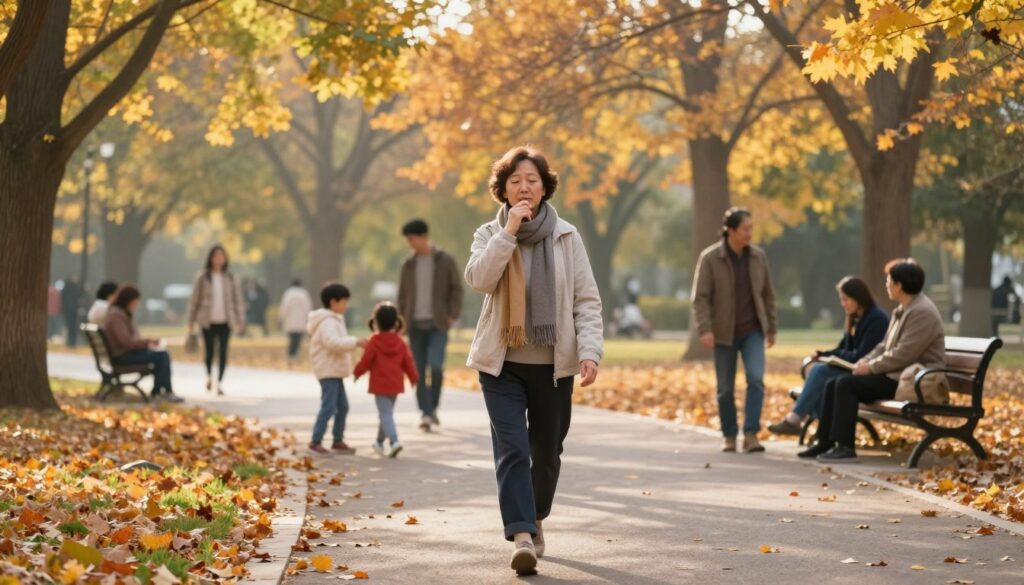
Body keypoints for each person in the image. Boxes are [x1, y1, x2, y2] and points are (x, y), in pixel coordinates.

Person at [465, 146, 603, 576]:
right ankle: (522, 535)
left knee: (546, 454)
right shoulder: (489, 234)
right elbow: (479, 279)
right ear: (502, 190)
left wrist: (590, 351)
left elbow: (586, 300)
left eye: (531, 180)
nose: (524, 188)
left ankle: (536, 514)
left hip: (554, 367)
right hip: (501, 364)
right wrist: (508, 232)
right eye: (515, 182)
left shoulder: (567, 237)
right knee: (512, 450)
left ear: (545, 187)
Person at [800, 259, 946, 463]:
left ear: (899, 286)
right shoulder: (904, 309)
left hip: (913, 380)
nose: (886, 285)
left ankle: (845, 447)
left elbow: (904, 353)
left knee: (845, 384)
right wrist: (864, 361)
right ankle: (825, 442)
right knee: (833, 382)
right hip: (897, 374)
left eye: (889, 281)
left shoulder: (921, 312)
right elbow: (884, 345)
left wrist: (871, 368)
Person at [692, 207, 778, 453]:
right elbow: (700, 298)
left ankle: (751, 434)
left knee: (756, 379)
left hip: (753, 331)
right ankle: (729, 435)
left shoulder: (758, 257)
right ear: (730, 231)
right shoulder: (710, 258)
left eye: (751, 228)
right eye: (745, 228)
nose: (750, 233)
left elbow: (768, 295)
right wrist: (705, 329)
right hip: (723, 333)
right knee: (725, 388)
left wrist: (771, 327)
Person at [768, 276, 889, 435]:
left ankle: (796, 421)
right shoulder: (856, 318)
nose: (843, 304)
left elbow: (861, 355)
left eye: (846, 299)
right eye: (841, 300)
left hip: (867, 372)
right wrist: (823, 354)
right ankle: (823, 431)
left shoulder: (876, 318)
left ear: (858, 298)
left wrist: (834, 357)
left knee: (820, 372)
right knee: (821, 374)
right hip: (854, 369)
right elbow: (843, 347)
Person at [398, 218, 464, 432]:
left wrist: (452, 315)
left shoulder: (445, 260)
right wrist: (400, 320)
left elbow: (457, 289)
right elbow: (402, 295)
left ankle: (432, 407)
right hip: (414, 325)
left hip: (438, 324)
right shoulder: (408, 264)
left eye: (412, 239)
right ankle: (425, 413)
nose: (410, 244)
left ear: (424, 236)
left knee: (435, 366)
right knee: (417, 370)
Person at [354, 302, 418, 459]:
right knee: (386, 414)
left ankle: (394, 442)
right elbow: (408, 362)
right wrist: (413, 377)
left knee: (385, 414)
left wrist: (357, 372)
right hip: (395, 384)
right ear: (396, 321)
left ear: (376, 322)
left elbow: (366, 361)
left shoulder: (374, 341)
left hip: (380, 385)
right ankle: (378, 442)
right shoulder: (400, 341)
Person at [103, 284, 182, 402]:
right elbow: (126, 342)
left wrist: (146, 342)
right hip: (122, 357)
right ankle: (165, 392)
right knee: (161, 355)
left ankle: (158, 391)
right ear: (128, 300)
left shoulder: (120, 313)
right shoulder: (116, 316)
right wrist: (147, 342)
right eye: (135, 302)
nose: (136, 305)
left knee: (160, 355)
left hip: (123, 354)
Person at [307, 283, 361, 455]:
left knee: (343, 407)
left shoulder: (335, 319)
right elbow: (333, 343)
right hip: (328, 371)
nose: (346, 305)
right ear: (333, 302)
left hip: (335, 371)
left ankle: (337, 439)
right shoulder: (327, 322)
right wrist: (355, 342)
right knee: (329, 407)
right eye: (344, 301)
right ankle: (315, 441)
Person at [186, 244, 246, 395]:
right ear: (210, 258)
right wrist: (190, 321)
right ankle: (208, 376)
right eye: (216, 256)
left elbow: (237, 300)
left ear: (225, 258)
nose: (219, 259)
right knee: (209, 351)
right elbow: (194, 301)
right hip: (207, 320)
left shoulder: (230, 278)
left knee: (223, 352)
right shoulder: (202, 277)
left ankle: (219, 382)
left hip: (226, 320)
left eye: (221, 256)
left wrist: (240, 320)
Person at [279, 279, 314, 364]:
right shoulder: (304, 293)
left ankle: (291, 354)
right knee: (298, 338)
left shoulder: (288, 293)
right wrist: (309, 318)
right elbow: (308, 307)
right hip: (301, 320)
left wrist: (281, 318)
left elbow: (284, 307)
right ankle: (296, 354)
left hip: (290, 320)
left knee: (291, 338)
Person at [60, 276, 84, 347]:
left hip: (68, 310)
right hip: (73, 310)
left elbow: (63, 298)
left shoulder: (66, 288)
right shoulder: (76, 288)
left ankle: (70, 342)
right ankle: (72, 342)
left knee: (69, 326)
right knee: (72, 327)